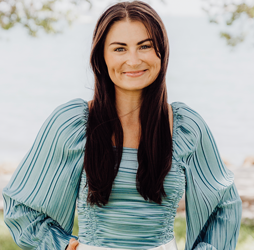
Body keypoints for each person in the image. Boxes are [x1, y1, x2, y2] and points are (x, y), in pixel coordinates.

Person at [2, 1, 242, 250]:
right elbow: (22, 206)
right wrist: (61, 245)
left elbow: (222, 207)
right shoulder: (72, 124)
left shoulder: (186, 127)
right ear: (101, 57)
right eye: (119, 49)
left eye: (145, 46)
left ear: (162, 51)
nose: (133, 60)